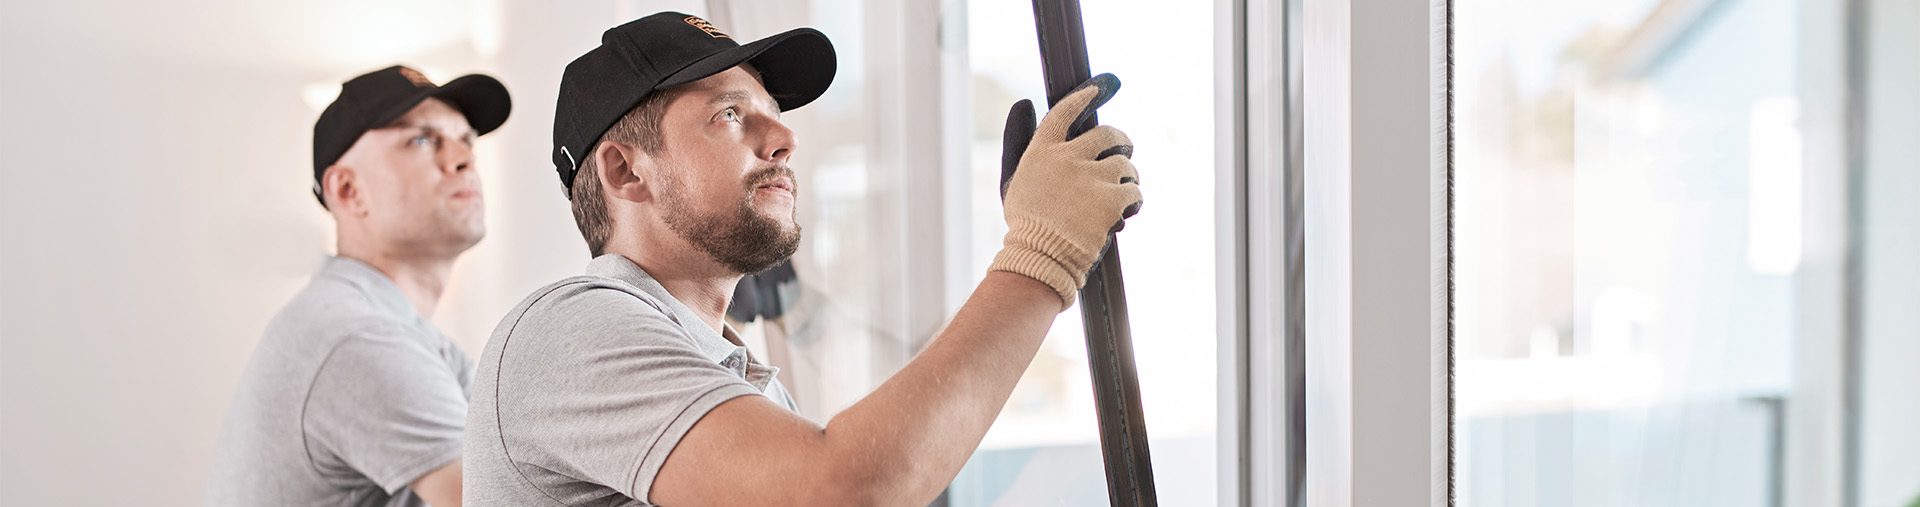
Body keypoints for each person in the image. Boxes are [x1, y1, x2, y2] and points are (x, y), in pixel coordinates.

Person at [464, 12, 1139, 506]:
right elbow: (843, 487)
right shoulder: (570, 329)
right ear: (626, 171)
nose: (783, 135)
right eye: (730, 114)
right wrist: (1045, 251)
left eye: (773, 111)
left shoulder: (741, 383)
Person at [207, 65, 511, 507]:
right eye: (421, 140)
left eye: (466, 140)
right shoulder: (353, 335)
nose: (463, 158)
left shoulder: (406, 334)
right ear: (348, 191)